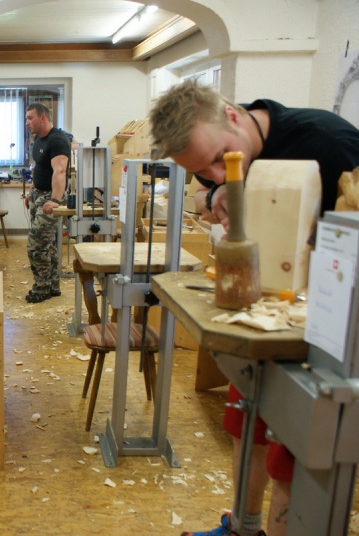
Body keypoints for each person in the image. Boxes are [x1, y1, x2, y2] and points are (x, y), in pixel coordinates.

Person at [149, 79, 359, 536]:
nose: (218, 172)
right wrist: (214, 196)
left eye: (219, 158)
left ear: (232, 114)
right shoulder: (218, 150)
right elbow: (207, 196)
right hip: (266, 321)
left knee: (293, 453)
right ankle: (241, 527)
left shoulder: (328, 144)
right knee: (246, 422)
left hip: (327, 333)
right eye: (204, 170)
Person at [23, 102, 71, 303]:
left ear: (42, 118)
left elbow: (60, 171)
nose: (27, 122)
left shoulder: (58, 140)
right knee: (47, 244)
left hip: (51, 197)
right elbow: (40, 168)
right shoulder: (39, 139)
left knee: (35, 246)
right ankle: (52, 286)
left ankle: (41, 288)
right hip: (38, 194)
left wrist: (55, 200)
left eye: (30, 118)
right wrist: (31, 191)